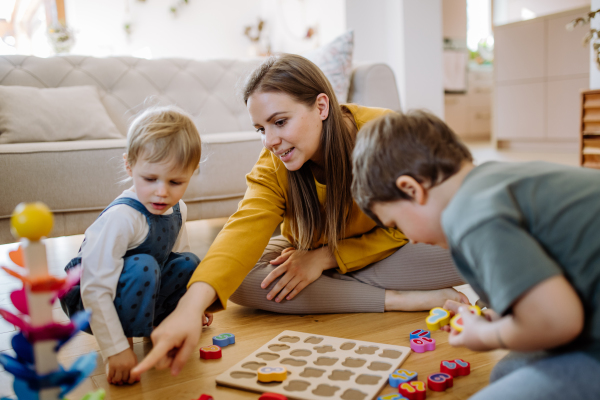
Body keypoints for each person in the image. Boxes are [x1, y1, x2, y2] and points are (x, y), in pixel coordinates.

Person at [131, 54, 466, 377]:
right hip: (305, 249)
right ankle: (401, 299)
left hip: (386, 247)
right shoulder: (272, 163)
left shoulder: (379, 132)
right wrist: (191, 306)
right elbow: (241, 231)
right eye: (260, 129)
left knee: (462, 247)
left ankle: (335, 288)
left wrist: (324, 259)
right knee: (244, 283)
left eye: (279, 122)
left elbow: (413, 223)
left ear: (321, 106)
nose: (270, 141)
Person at [350, 110, 600, 399]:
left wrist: (484, 336)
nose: (411, 239)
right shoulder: (494, 181)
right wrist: (506, 319)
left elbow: (557, 321)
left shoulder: (471, 217)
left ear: (411, 189)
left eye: (397, 224)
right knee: (505, 373)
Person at [60, 106, 212, 386]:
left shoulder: (178, 208)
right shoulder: (122, 218)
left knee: (189, 262)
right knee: (143, 265)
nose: (162, 192)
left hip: (141, 286)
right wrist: (114, 349)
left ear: (192, 173)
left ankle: (159, 329)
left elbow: (176, 259)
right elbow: (94, 287)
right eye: (150, 179)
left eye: (176, 181)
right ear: (130, 166)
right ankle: (125, 342)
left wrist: (190, 307)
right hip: (87, 295)